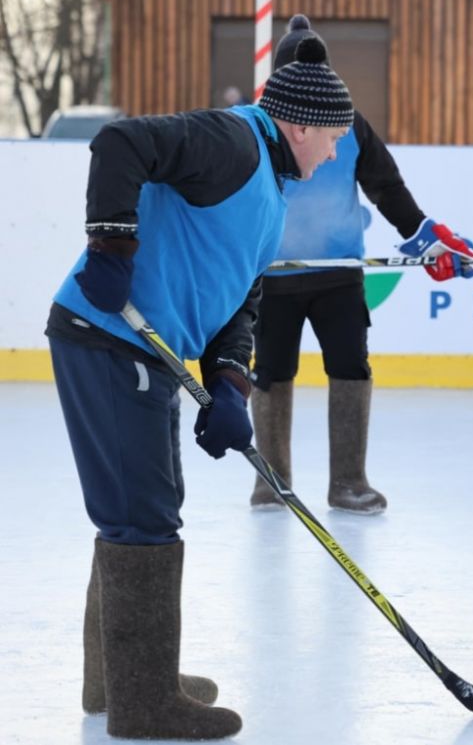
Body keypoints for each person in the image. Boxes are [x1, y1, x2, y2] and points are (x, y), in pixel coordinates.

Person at [46, 37, 354, 740]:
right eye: (333, 139)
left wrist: (230, 385)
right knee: (145, 514)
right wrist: (111, 245)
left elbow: (240, 301)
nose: (335, 153)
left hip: (148, 351)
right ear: (301, 125)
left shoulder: (273, 193)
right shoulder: (233, 141)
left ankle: (121, 678)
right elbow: (122, 144)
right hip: (107, 335)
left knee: (140, 508)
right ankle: (143, 700)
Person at [247, 14, 473, 515]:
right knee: (271, 371)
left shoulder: (348, 123)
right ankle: (272, 482)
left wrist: (424, 239)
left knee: (350, 366)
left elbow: (386, 187)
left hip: (338, 275)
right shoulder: (255, 128)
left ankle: (348, 482)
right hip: (274, 276)